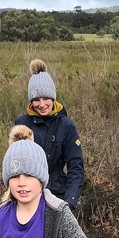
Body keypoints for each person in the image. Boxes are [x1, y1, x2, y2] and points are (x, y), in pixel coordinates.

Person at [14, 59, 85, 210]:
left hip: (57, 195)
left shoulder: (67, 126)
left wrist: (69, 203)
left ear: (52, 98)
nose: (41, 104)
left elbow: (75, 167)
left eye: (46, 98)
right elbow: (15, 166)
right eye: (36, 100)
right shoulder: (21, 124)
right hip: (28, 195)